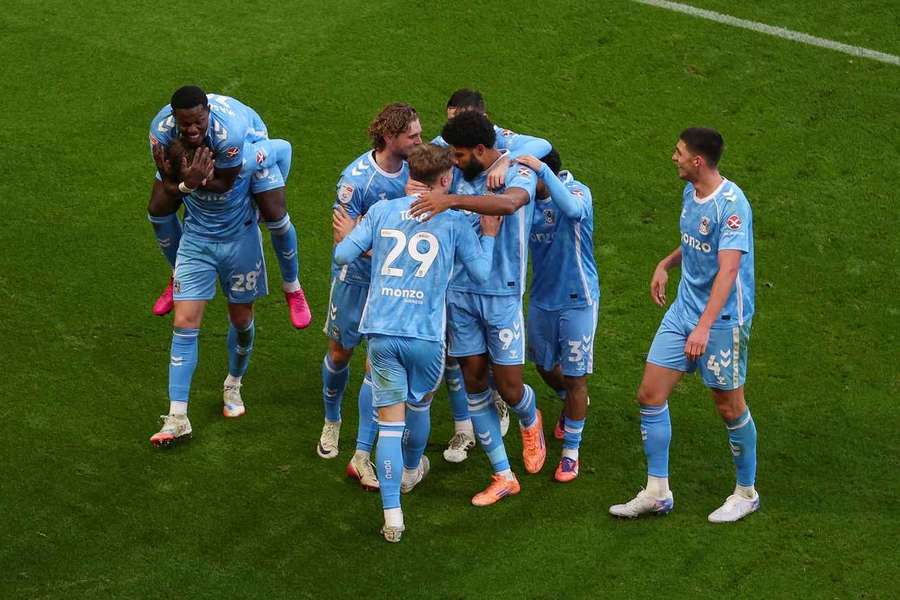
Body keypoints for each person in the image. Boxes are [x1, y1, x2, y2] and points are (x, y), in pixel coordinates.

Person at [333, 143, 498, 542]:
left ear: (412, 176)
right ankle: (410, 472)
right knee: (419, 405)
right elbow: (481, 274)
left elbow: (342, 254)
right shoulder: (457, 221)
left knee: (389, 426)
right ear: (445, 181)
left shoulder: (382, 211)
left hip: (383, 334)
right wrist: (489, 235)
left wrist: (352, 234)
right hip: (425, 336)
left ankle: (393, 517)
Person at [609, 127, 759, 523]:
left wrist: (704, 327)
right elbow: (693, 240)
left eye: (678, 153)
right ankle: (657, 491)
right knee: (650, 394)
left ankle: (746, 493)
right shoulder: (690, 193)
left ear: (698, 160)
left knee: (729, 407)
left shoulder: (731, 205)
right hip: (683, 312)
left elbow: (728, 271)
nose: (673, 157)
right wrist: (665, 263)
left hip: (722, 322)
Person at [408, 111, 546, 506]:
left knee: (509, 386)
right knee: (473, 380)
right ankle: (503, 474)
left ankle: (528, 418)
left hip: (502, 295)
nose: (452, 158)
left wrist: (450, 199)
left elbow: (510, 205)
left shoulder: (515, 172)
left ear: (481, 150)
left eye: (459, 152)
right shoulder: (456, 174)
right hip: (459, 293)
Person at [149, 134, 286, 445]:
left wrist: (272, 194)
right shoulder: (178, 167)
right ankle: (177, 416)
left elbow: (284, 149)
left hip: (241, 245)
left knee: (240, 320)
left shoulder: (243, 162)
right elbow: (159, 209)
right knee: (184, 323)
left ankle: (233, 383)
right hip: (197, 246)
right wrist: (181, 184)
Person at [318, 103, 423, 492]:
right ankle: (332, 421)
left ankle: (362, 453)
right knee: (340, 354)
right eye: (412, 136)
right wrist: (390, 240)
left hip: (389, 288)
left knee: (374, 368)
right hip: (353, 282)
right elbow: (340, 240)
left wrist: (369, 231)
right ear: (389, 138)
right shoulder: (356, 180)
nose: (419, 140)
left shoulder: (418, 170)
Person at [147, 86, 311, 329]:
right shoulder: (161, 131)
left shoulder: (235, 141)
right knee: (157, 209)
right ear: (174, 118)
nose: (192, 129)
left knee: (275, 215)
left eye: (198, 122)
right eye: (185, 123)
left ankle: (293, 287)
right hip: (197, 167)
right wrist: (187, 184)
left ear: (208, 114)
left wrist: (263, 195)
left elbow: (226, 183)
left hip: (248, 144)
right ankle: (177, 274)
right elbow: (170, 183)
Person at [516, 151, 599, 483]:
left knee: (577, 377)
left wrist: (542, 174)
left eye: (527, 174)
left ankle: (571, 453)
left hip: (578, 299)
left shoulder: (577, 191)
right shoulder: (526, 201)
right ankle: (571, 402)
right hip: (541, 298)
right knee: (545, 366)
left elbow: (574, 211)